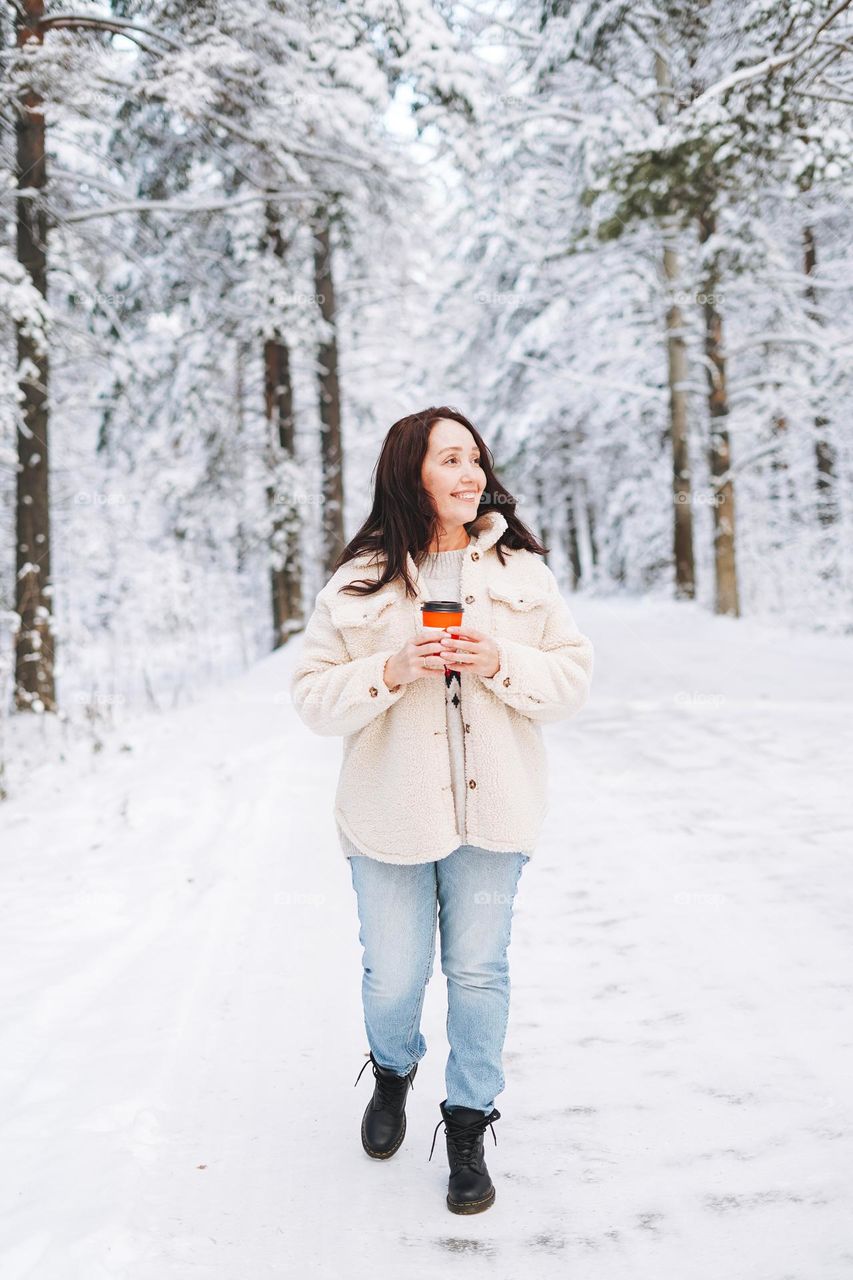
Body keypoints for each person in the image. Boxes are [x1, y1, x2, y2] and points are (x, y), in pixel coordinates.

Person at [290, 406, 594, 1214]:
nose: (470, 474)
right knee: (393, 977)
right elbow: (313, 701)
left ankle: (466, 1121)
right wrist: (388, 670)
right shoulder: (358, 580)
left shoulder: (523, 573)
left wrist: (500, 659)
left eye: (475, 459)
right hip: (386, 816)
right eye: (449, 459)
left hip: (494, 815)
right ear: (410, 473)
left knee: (478, 970)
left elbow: (570, 681)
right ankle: (393, 1071)